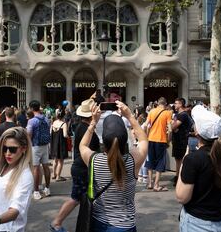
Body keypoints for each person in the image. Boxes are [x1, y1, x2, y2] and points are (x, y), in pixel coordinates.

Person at [79, 100, 148, 232]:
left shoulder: (94, 160)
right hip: (126, 225)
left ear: (103, 140)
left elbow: (82, 146)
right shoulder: (133, 160)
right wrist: (130, 116)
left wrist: (93, 122)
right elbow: (144, 139)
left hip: (99, 222)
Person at [176, 105, 221, 232]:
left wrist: (183, 166)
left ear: (197, 132)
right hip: (219, 219)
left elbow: (182, 197)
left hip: (196, 222)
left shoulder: (193, 159)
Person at [50, 99, 100, 232]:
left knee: (82, 198)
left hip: (81, 167)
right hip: (82, 168)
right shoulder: (85, 129)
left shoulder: (81, 126)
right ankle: (57, 222)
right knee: (76, 198)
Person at [144, 97, 172, 191]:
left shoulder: (151, 111)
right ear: (166, 104)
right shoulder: (167, 113)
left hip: (151, 139)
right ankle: (156, 185)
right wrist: (168, 140)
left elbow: (146, 125)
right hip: (161, 140)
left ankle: (150, 183)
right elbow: (170, 129)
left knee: (150, 160)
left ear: (158, 103)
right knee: (160, 161)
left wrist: (146, 136)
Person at [27, 100, 51, 200]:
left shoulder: (32, 121)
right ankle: (47, 188)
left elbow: (29, 134)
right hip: (45, 145)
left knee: (36, 168)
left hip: (35, 146)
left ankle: (36, 191)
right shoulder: (45, 119)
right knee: (46, 167)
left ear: (32, 109)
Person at [171, 98, 191, 186]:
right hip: (177, 139)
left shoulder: (183, 115)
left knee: (181, 159)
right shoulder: (177, 114)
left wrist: (172, 125)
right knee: (177, 159)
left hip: (181, 140)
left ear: (181, 104)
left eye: (176, 103)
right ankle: (177, 176)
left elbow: (173, 126)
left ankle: (180, 178)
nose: (174, 105)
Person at [50, 109, 69, 181]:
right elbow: (64, 135)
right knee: (60, 161)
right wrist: (68, 136)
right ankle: (58, 176)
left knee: (55, 160)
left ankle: (54, 174)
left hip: (54, 143)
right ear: (63, 116)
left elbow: (50, 133)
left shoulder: (53, 123)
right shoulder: (64, 124)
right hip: (61, 144)